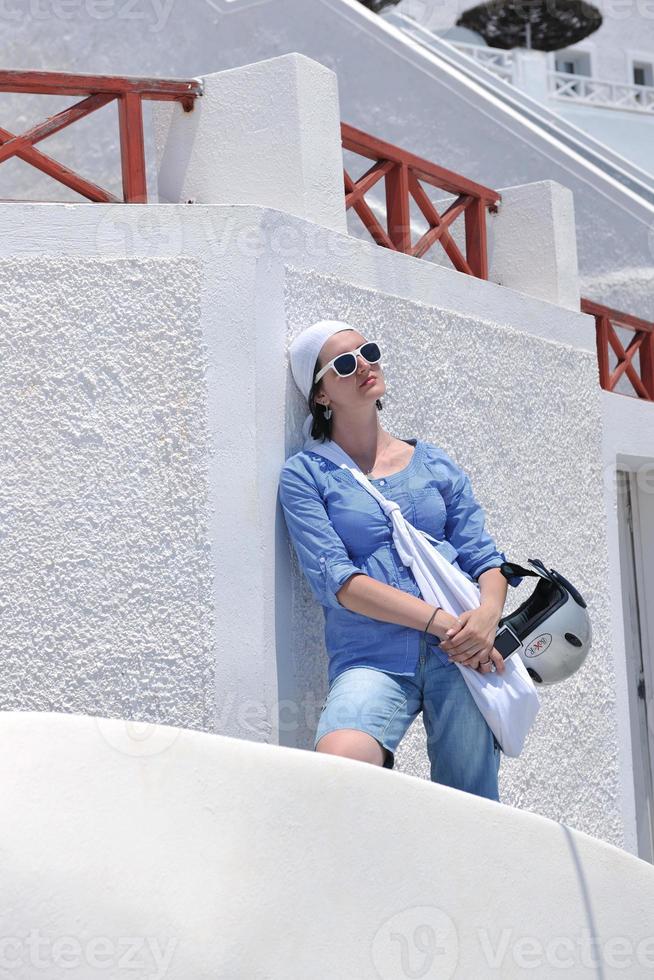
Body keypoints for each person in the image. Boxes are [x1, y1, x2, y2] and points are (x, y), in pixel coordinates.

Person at [278, 320, 523, 801]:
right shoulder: (306, 475)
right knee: (339, 764)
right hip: (373, 655)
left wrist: (488, 618)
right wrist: (441, 623)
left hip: (463, 655)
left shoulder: (433, 462)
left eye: (368, 350)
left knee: (470, 804)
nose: (364, 365)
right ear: (321, 396)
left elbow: (484, 558)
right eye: (344, 364)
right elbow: (339, 581)